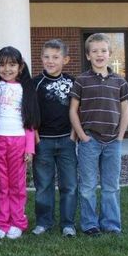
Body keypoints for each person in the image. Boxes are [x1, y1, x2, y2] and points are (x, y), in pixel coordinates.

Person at [70, 33, 128, 236]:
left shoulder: (120, 81)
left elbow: (125, 111)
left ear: (109, 54)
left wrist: (121, 136)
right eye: (94, 51)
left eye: (103, 51)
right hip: (90, 140)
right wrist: (82, 135)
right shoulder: (81, 80)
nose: (99, 54)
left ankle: (111, 224)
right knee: (88, 186)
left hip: (113, 141)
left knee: (111, 186)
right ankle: (90, 224)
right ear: (88, 55)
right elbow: (73, 110)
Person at [0, 47, 41, 240]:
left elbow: (30, 120)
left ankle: (18, 222)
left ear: (20, 67)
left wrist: (29, 148)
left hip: (18, 141)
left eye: (12, 64)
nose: (7, 69)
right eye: (2, 64)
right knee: (0, 184)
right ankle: (1, 223)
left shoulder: (26, 89)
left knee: (17, 185)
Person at [32, 39, 78, 237]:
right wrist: (35, 135)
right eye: (46, 57)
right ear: (41, 58)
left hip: (67, 140)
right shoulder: (35, 84)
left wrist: (75, 134)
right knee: (43, 185)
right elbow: (30, 112)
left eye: (55, 57)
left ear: (65, 59)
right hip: (43, 141)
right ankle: (44, 222)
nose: (50, 61)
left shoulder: (73, 82)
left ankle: (68, 223)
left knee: (69, 184)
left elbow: (79, 110)